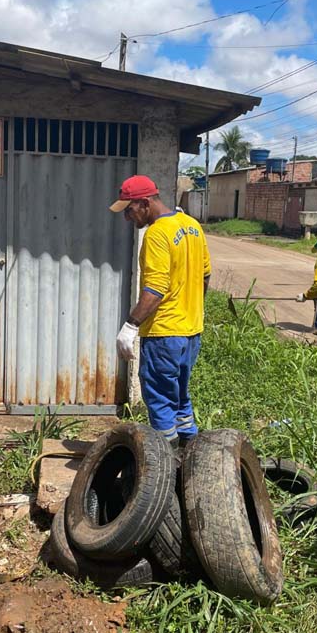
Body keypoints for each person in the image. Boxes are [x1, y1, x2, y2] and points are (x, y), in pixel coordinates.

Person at [110, 175, 211, 449]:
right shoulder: (192, 226)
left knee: (160, 401)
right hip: (191, 333)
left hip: (164, 334)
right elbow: (204, 277)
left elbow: (155, 289)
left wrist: (131, 326)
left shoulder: (156, 233)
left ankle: (164, 463)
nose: (127, 218)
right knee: (179, 397)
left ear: (144, 203)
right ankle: (191, 454)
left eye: (129, 210)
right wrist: (191, 308)